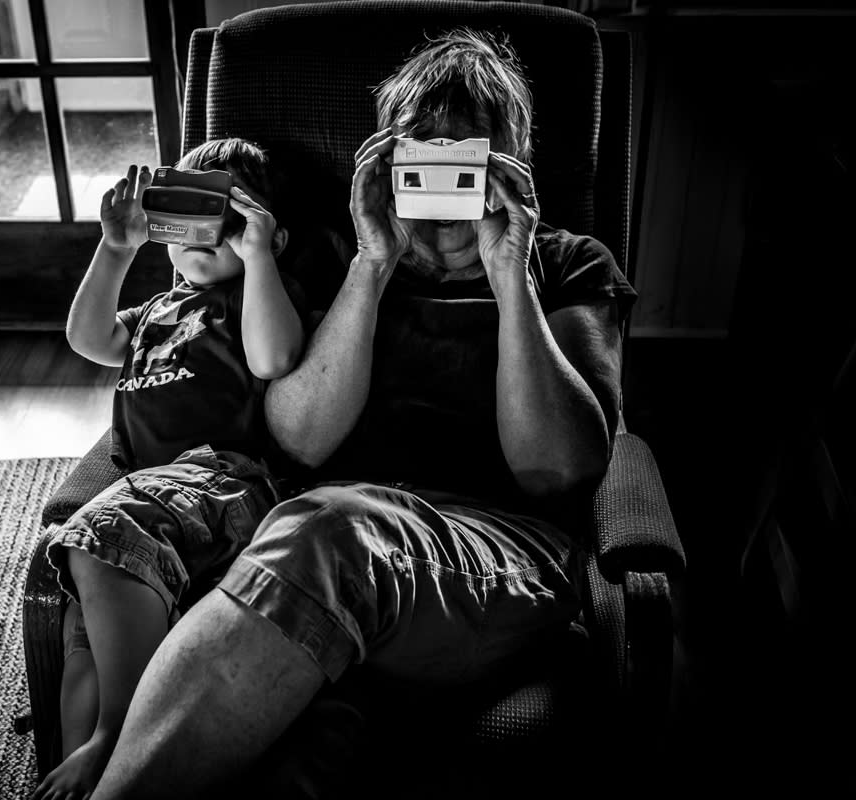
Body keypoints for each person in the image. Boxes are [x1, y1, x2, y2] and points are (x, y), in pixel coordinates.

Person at [87, 28, 638, 799]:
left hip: (498, 550)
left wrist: (510, 274)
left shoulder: (568, 263)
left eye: (465, 161)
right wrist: (374, 263)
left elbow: (558, 470)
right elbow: (298, 436)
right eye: (422, 159)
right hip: (324, 544)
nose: (442, 189)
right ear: (387, 158)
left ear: (511, 164)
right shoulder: (342, 256)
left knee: (327, 530)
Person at [31, 138, 306, 800]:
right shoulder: (159, 309)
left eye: (226, 216)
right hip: (148, 493)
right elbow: (89, 338)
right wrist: (118, 247)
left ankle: (114, 740)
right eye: (182, 217)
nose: (200, 234)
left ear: (267, 232)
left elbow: (273, 361)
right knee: (82, 632)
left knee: (106, 537)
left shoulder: (257, 296)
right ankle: (84, 773)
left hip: (224, 480)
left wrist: (258, 257)